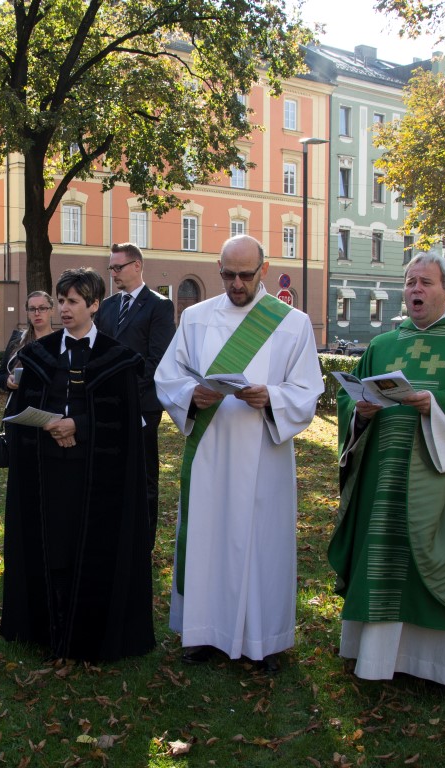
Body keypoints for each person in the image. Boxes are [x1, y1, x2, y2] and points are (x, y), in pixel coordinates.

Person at [327, 253, 445, 690]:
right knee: (384, 561)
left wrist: (435, 403)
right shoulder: (382, 345)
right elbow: (349, 396)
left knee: (439, 561)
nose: (415, 290)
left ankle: (442, 666)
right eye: (409, 281)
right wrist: (361, 409)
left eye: (425, 282)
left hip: (443, 477)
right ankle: (378, 658)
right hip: (383, 477)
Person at [155, 234, 323, 668]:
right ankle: (205, 633)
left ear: (263, 269)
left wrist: (273, 397)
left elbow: (308, 391)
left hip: (263, 452)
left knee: (261, 544)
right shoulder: (194, 318)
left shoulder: (292, 322)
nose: (236, 283)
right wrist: (193, 395)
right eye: (227, 274)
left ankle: (264, 640)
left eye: (245, 275)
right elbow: (167, 376)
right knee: (209, 538)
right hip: (210, 448)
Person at [0, 268, 155, 662]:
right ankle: (45, 625)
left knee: (90, 548)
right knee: (53, 546)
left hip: (96, 476)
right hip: (47, 472)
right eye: (61, 300)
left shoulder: (117, 360)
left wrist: (79, 427)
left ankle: (91, 629)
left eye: (72, 302)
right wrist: (51, 423)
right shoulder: (38, 354)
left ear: (94, 305)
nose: (64, 309)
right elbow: (19, 411)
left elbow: (128, 422)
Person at [94, 243, 176, 547]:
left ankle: (143, 541)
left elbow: (158, 360)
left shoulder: (159, 305)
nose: (113, 273)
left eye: (118, 267)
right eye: (111, 268)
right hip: (107, 404)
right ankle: (114, 535)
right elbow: (99, 351)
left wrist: (125, 388)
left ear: (137, 266)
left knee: (143, 477)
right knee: (111, 472)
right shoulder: (108, 306)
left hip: (142, 404)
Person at [0, 290, 55, 398]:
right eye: (32, 309)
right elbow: (1, 376)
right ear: (27, 313)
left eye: (42, 308)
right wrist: (7, 381)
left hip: (49, 408)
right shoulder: (18, 339)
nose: (37, 313)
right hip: (18, 408)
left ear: (52, 311)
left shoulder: (60, 342)